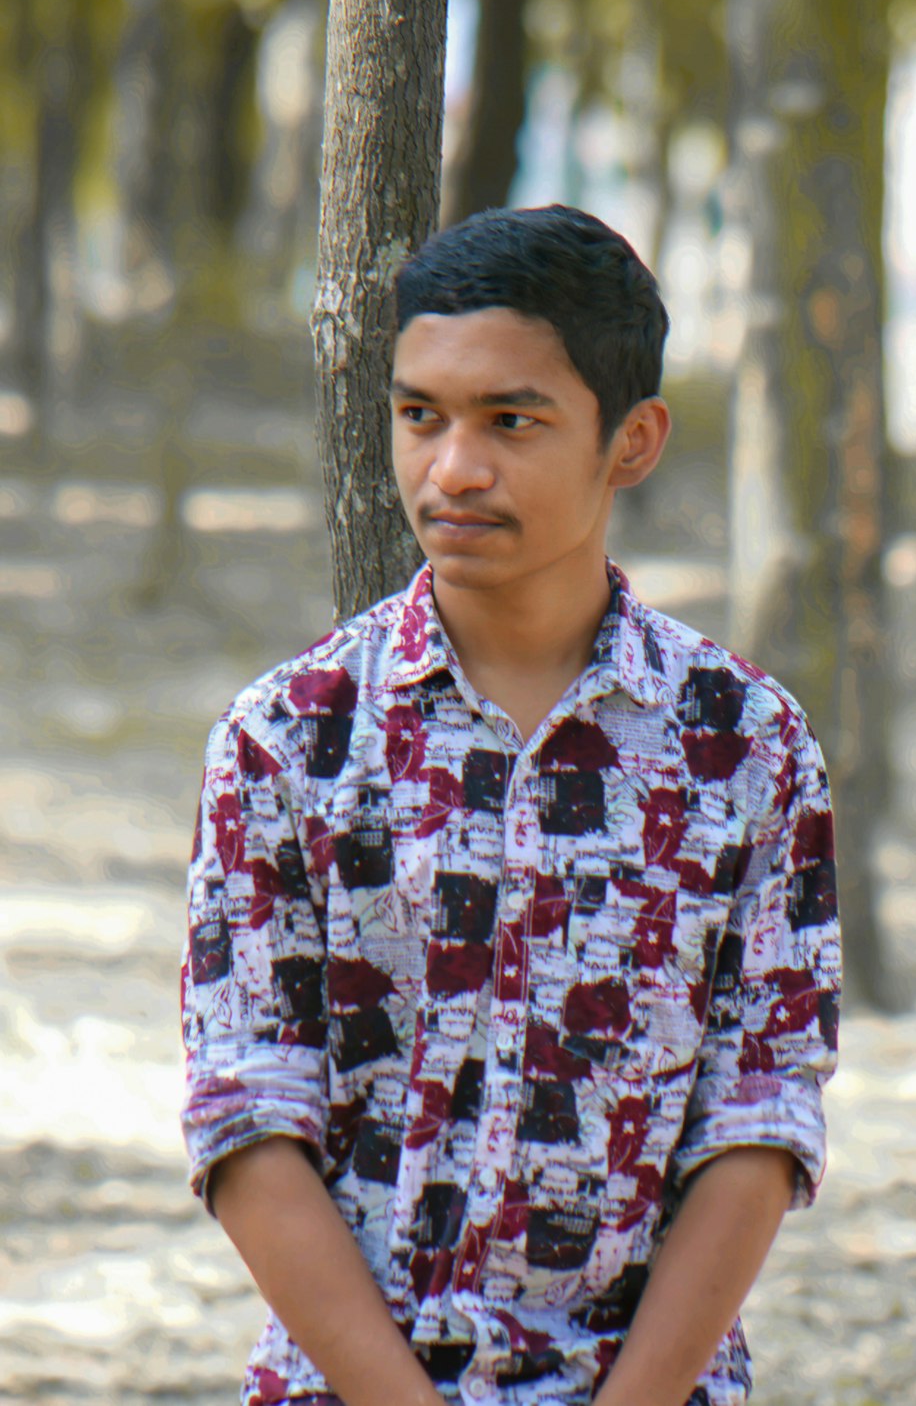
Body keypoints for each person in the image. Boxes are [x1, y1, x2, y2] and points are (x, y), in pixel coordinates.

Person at [181, 204, 840, 1406]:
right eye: (419, 415)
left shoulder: (745, 746)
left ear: (631, 442)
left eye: (511, 421)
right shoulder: (288, 740)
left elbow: (758, 1117)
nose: (453, 469)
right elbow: (245, 1116)